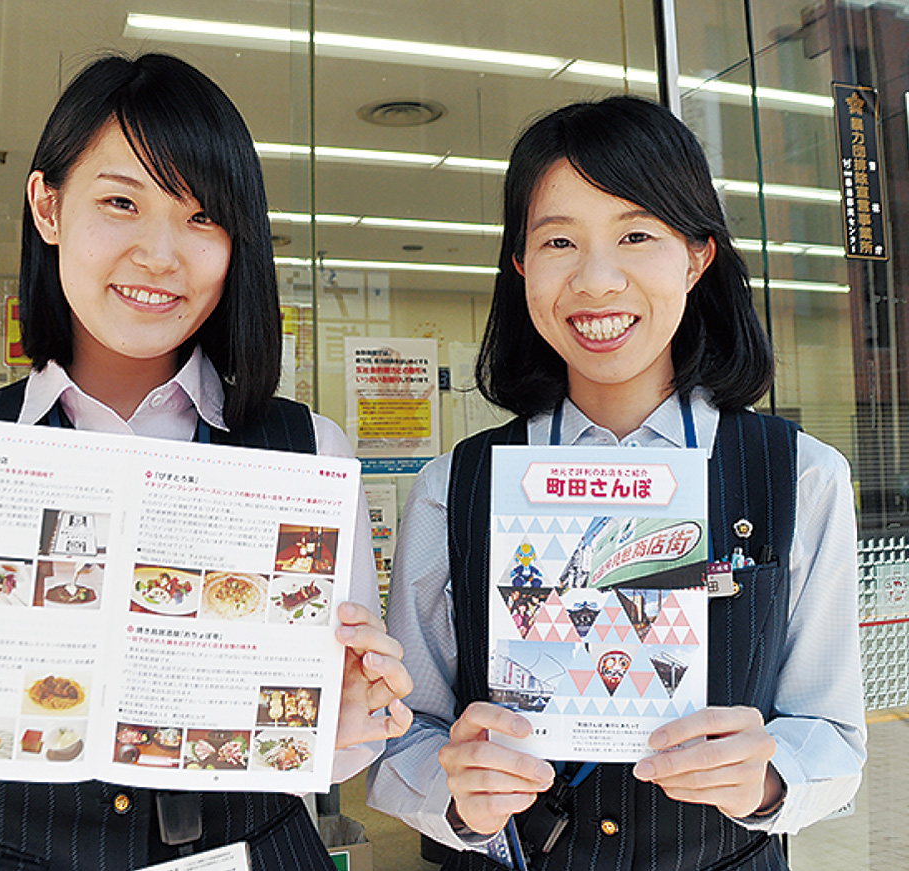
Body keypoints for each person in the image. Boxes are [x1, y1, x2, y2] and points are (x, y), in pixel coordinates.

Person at [0, 52, 412, 871]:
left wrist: (344, 721)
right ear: (48, 205)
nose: (160, 254)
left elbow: (336, 748)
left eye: (203, 216)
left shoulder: (308, 451)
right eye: (120, 202)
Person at [366, 95, 864, 871]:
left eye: (636, 235)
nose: (597, 281)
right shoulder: (452, 488)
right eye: (559, 241)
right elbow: (403, 733)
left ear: (696, 256)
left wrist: (769, 777)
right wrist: (454, 791)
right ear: (521, 265)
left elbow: (833, 736)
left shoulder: (802, 477)